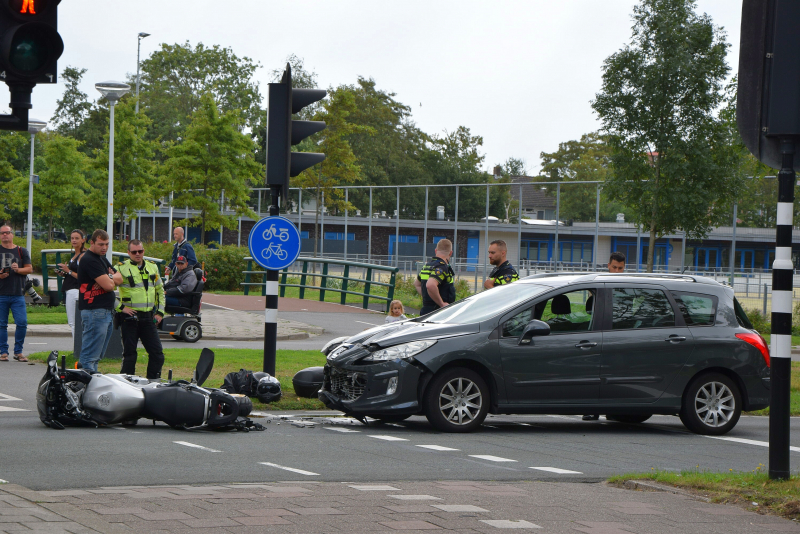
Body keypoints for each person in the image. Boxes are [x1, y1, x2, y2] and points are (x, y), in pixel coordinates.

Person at [583, 251, 627, 421]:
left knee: (615, 375)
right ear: (608, 265)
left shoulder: (626, 288)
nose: (617, 271)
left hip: (619, 336)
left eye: (620, 268)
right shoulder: (599, 284)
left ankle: (614, 409)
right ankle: (592, 409)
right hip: (599, 334)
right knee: (594, 373)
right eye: (614, 267)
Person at [117, 240, 166, 379]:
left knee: (157, 354)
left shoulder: (152, 267)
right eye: (134, 252)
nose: (137, 254)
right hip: (129, 318)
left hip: (148, 317)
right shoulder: (120, 268)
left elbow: (160, 291)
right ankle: (126, 384)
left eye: (140, 251)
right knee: (130, 356)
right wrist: (120, 308)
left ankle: (153, 382)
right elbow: (106, 289)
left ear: (144, 251)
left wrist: (160, 312)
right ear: (128, 253)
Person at [77, 230, 123, 373]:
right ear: (92, 243)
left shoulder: (101, 258)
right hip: (94, 311)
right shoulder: (89, 259)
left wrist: (109, 277)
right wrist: (110, 278)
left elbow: (120, 278)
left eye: (107, 244)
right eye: (101, 244)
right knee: (90, 356)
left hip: (105, 311)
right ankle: (85, 380)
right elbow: (109, 286)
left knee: (97, 355)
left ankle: (90, 379)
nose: (104, 248)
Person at [0, 225, 32, 362]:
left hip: (17, 293)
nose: (4, 235)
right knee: (1, 324)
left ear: (12, 234)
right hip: (1, 293)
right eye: (2, 233)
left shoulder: (21, 251)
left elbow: (29, 269)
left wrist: (18, 269)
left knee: (22, 323)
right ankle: (3, 352)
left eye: (7, 232)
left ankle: (18, 351)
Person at [57, 230, 87, 341]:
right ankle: (79, 346)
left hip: (75, 291)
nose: (74, 240)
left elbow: (82, 277)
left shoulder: (82, 256)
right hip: (71, 289)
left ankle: (78, 347)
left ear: (83, 240)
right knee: (75, 322)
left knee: (74, 322)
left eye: (77, 238)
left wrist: (68, 271)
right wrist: (65, 273)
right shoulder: (75, 255)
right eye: (72, 238)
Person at [413, 239, 456, 316]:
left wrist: (428, 297)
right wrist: (441, 303)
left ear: (436, 251)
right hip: (438, 313)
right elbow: (430, 285)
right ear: (450, 253)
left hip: (426, 311)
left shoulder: (427, 266)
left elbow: (417, 284)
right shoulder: (441, 267)